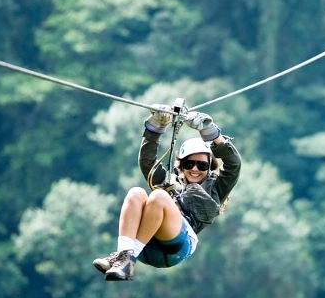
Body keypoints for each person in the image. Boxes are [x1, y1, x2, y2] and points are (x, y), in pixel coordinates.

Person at [92, 105, 242, 281]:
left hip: (176, 247)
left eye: (201, 165)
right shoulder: (170, 182)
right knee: (136, 193)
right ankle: (123, 255)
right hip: (145, 244)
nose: (195, 169)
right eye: (189, 164)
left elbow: (234, 164)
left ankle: (128, 260)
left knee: (158, 196)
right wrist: (155, 127)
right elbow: (147, 163)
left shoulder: (216, 188)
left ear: (209, 168)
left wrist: (211, 133)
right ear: (182, 166)